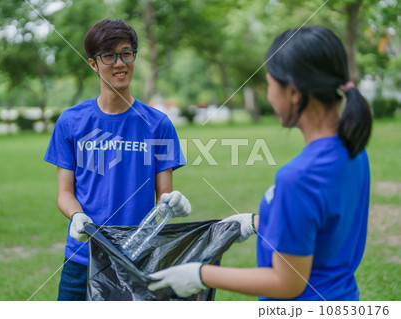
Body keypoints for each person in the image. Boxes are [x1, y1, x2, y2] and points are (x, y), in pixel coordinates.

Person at [148, 26, 372, 301]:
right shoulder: (354, 151)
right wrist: (256, 222)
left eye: (269, 84)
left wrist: (199, 274)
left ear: (294, 93)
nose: (268, 95)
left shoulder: (299, 177)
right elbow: (320, 228)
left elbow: (287, 283)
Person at [44, 19, 191, 301]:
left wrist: (173, 205)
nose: (119, 63)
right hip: (82, 257)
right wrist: (77, 216)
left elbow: (165, 197)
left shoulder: (157, 124)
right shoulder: (71, 122)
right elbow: (65, 193)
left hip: (137, 257)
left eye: (126, 53)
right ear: (93, 64)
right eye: (109, 56)